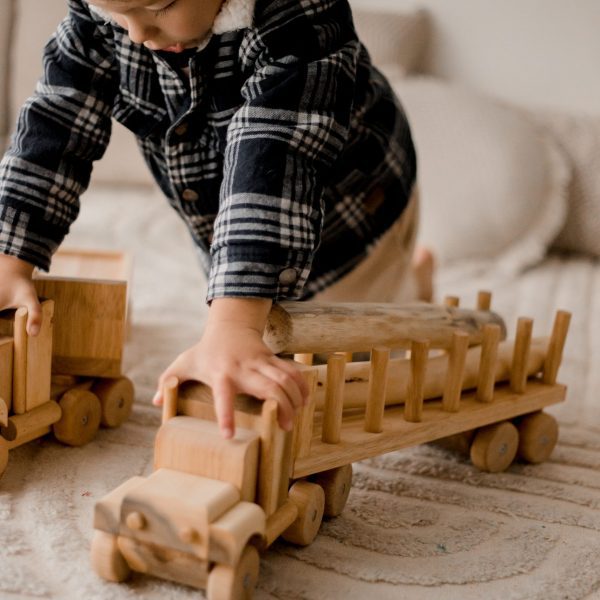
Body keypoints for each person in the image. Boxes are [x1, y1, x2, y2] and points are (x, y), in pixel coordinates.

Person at [0, 0, 432, 438]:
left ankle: (412, 283)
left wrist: (232, 324)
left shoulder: (300, 18)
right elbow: (55, 119)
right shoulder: (112, 17)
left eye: (158, 7)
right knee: (258, 337)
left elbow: (272, 158)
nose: (135, 35)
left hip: (352, 218)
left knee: (353, 353)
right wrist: (9, 256)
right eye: (117, 15)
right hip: (224, 214)